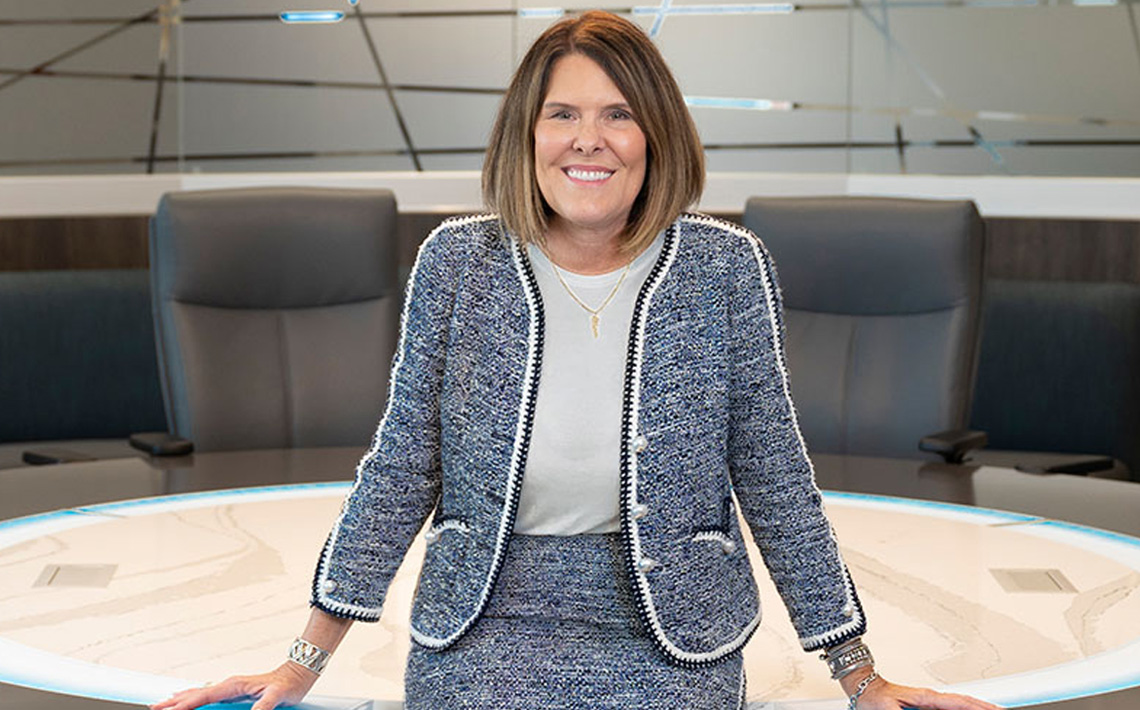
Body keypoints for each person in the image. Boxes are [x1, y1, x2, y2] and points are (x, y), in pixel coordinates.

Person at [153, 11, 1003, 710]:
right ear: (526, 134)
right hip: (485, 629)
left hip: (674, 639)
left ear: (655, 135)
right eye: (563, 114)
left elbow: (774, 476)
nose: (587, 141)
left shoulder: (725, 268)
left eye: (618, 114)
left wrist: (860, 677)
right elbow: (404, 466)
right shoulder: (458, 264)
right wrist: (301, 662)